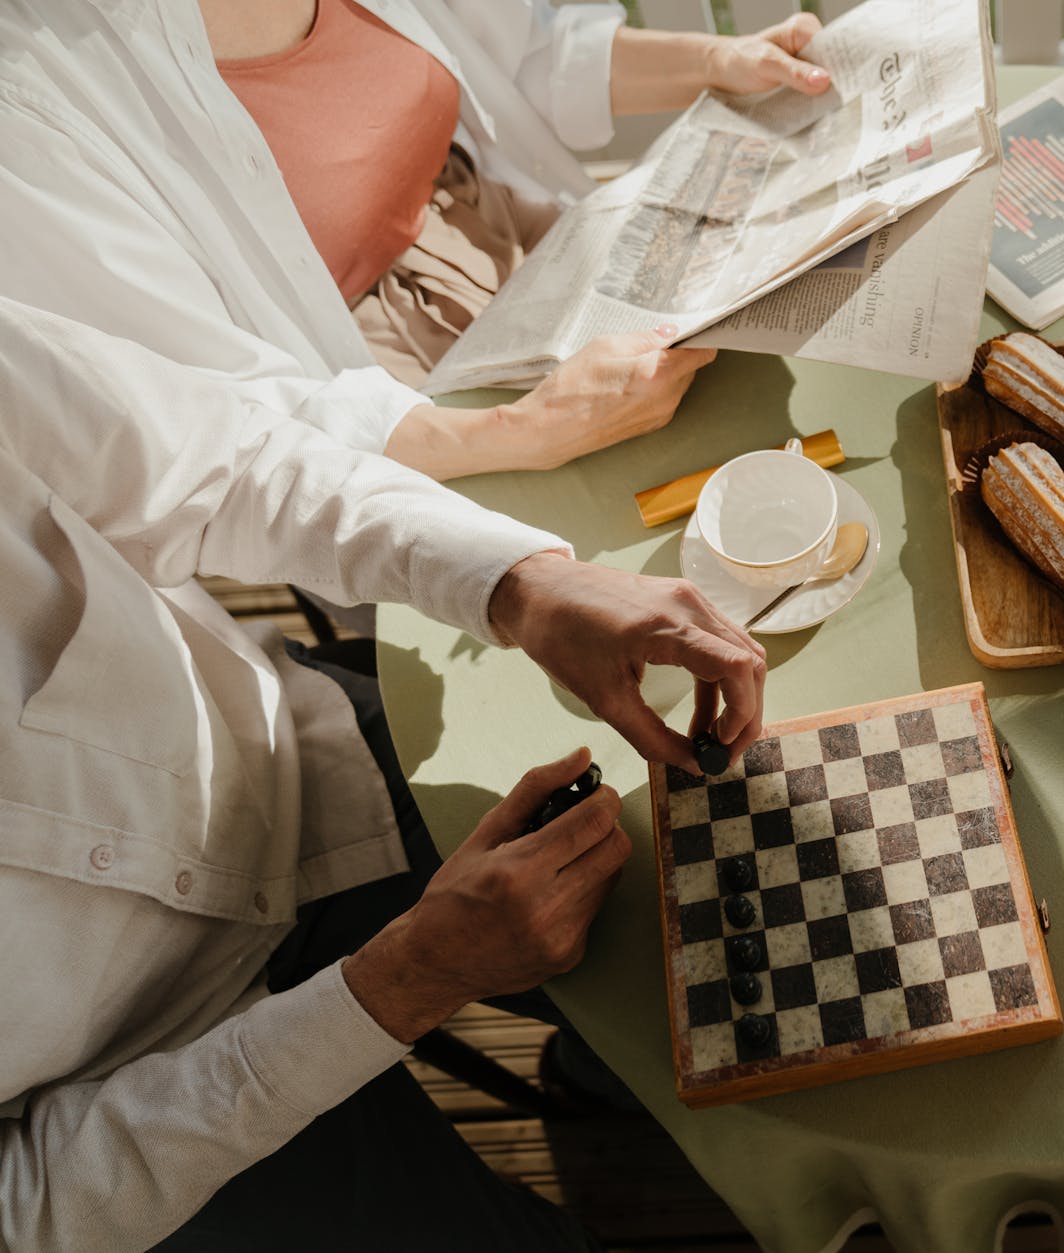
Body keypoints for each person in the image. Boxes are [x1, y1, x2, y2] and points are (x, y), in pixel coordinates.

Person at [0, 296, 769, 1251]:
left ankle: (602, 1075)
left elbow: (217, 459)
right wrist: (410, 978)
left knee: (719, 906)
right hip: (125, 1134)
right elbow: (26, 1212)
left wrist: (519, 582)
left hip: (288, 774)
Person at [0, 0, 832, 479]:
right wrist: (528, 429)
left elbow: (529, 57)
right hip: (386, 399)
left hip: (513, 232)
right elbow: (214, 420)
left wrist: (718, 60)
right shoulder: (32, 90)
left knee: (775, 415)